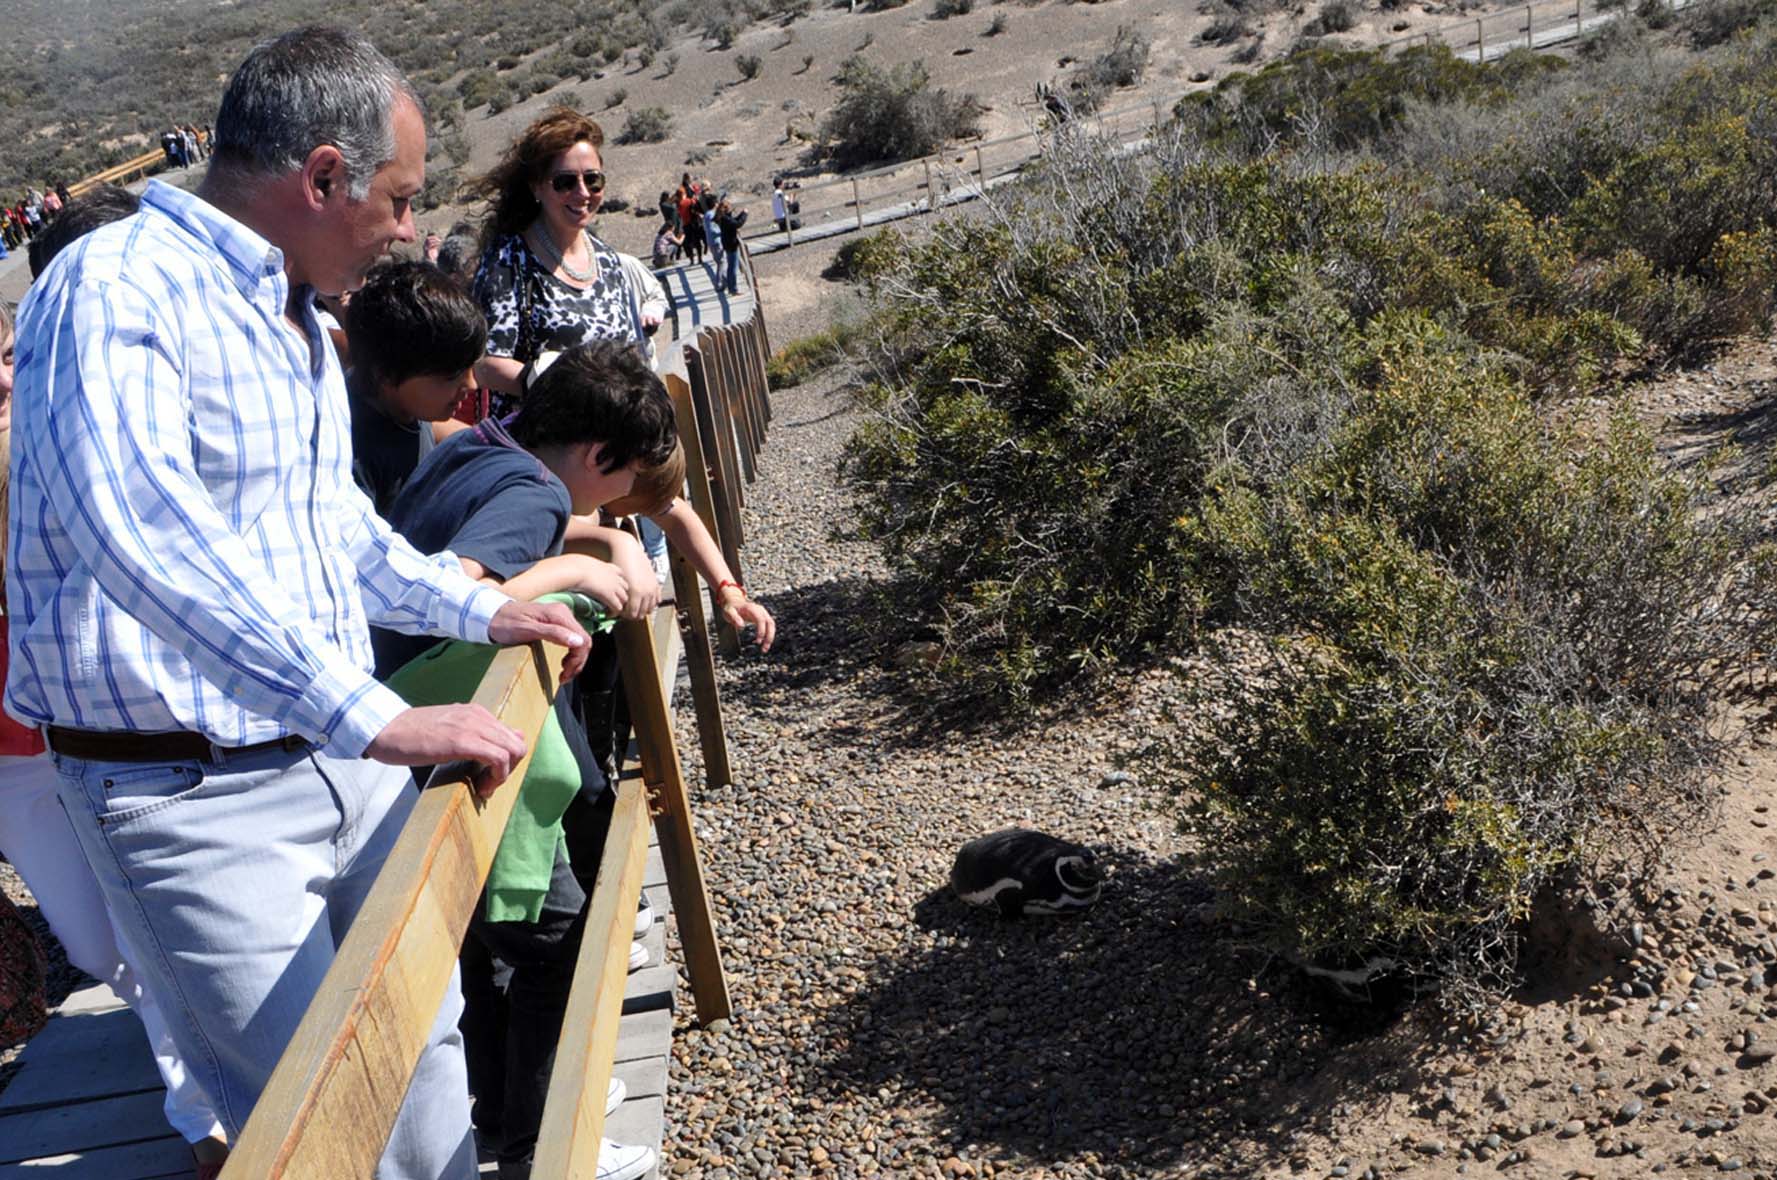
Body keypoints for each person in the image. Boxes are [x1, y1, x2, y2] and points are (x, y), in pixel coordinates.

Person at [8, 28, 593, 1180]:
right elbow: (138, 534)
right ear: (322, 176)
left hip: (335, 756)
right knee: (308, 1124)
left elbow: (335, 534)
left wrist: (478, 612)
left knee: (423, 1056)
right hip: (185, 794)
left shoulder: (302, 326)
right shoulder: (113, 287)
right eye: (399, 197)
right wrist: (369, 715)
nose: (410, 231)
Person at [374, 340, 675, 1180]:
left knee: (480, 944)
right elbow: (450, 589)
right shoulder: (534, 492)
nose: (622, 503)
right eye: (624, 482)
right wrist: (576, 562)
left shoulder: (479, 442)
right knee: (555, 936)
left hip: (404, 731)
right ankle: (547, 1142)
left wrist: (599, 545)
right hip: (451, 720)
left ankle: (504, 1114)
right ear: (595, 454)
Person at [0, 299, 230, 1179]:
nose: (3, 378)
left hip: (106, 722)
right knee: (100, 947)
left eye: (12, 352)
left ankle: (204, 1115)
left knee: (152, 918)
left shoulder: (70, 428)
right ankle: (198, 1063)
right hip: (17, 754)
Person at [469, 107, 650, 419]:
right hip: (542, 447)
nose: (582, 193)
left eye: (593, 180)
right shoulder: (509, 259)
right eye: (565, 182)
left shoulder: (607, 260)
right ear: (537, 187)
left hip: (613, 438)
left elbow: (631, 353)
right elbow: (486, 364)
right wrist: (566, 390)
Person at [345, 260, 485, 515]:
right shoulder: (354, 456)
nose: (471, 385)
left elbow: (440, 431)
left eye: (471, 369)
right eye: (452, 375)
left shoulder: (406, 406)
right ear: (387, 374)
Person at [714, 197, 748, 295]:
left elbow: (734, 221)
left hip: (728, 244)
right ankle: (733, 289)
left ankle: (730, 286)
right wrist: (745, 214)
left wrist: (742, 214)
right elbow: (737, 224)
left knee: (731, 266)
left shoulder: (723, 217)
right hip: (731, 245)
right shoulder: (725, 218)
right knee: (733, 267)